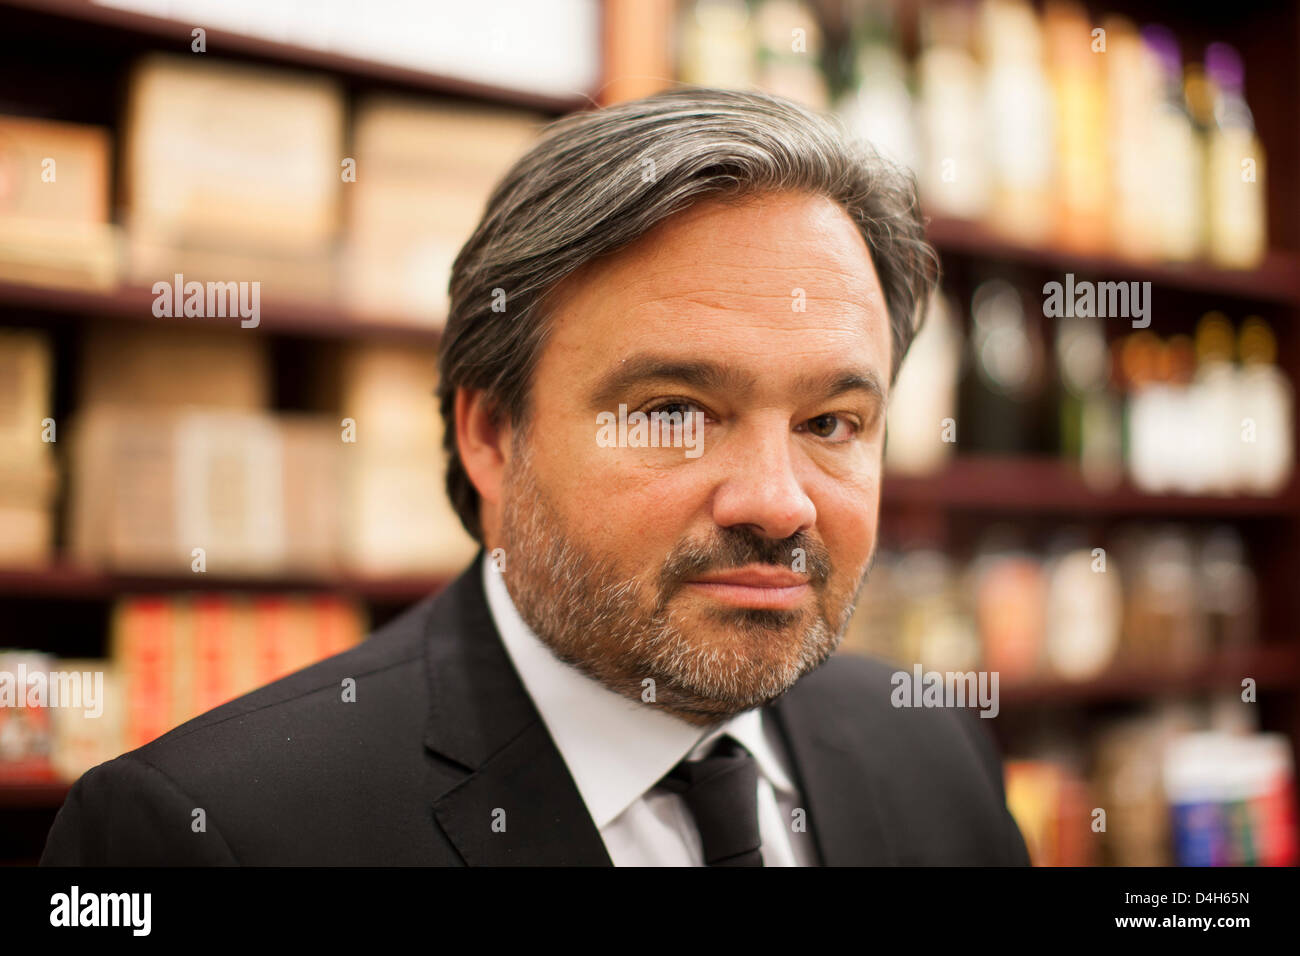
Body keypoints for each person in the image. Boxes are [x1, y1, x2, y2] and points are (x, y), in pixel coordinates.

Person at [42, 88, 1029, 866]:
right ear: (491, 433)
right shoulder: (204, 832)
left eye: (830, 422)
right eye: (674, 410)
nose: (777, 500)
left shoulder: (932, 751)